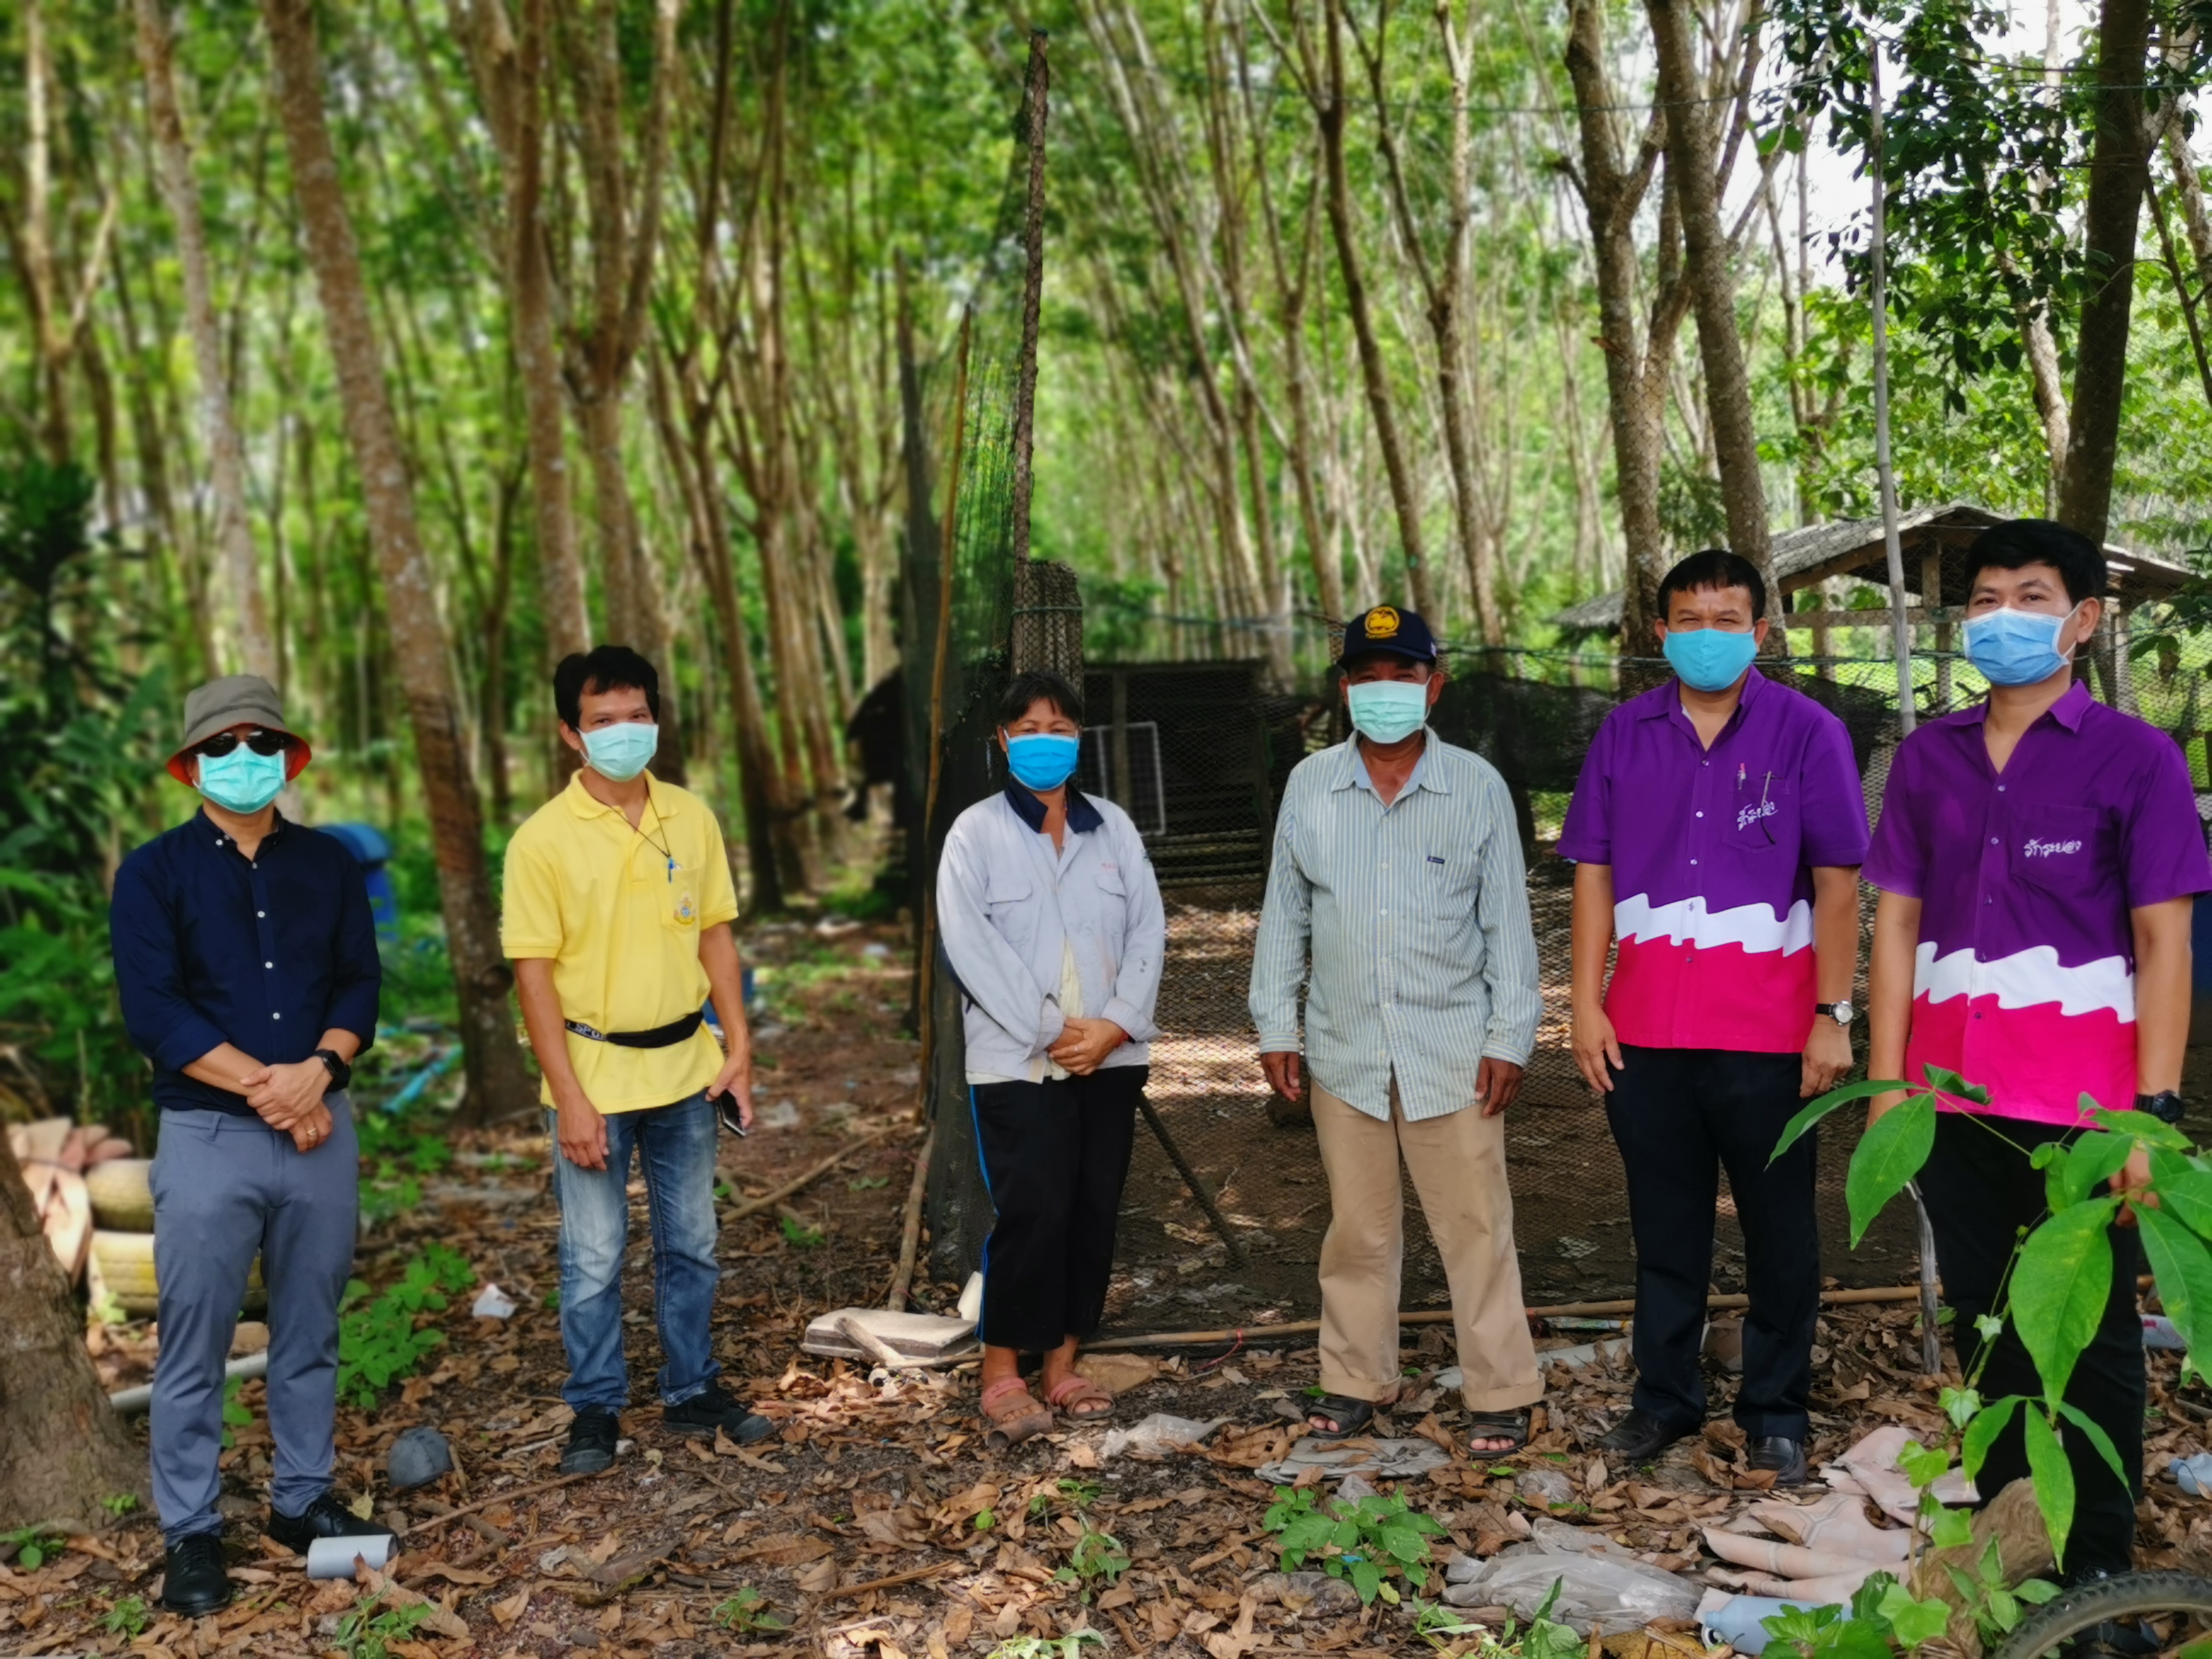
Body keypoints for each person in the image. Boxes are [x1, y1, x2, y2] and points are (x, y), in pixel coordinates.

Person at [1865, 520, 2208, 1580]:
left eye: (2029, 594)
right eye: (1982, 600)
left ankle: (2098, 1571)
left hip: (2081, 1115)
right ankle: (2015, 1559)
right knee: (1987, 1330)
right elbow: (1892, 924)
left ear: (2082, 618)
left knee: (2089, 1341)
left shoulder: (2134, 759)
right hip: (1950, 1103)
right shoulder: (1930, 758)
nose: (2002, 616)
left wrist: (2149, 1117)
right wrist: (1886, 1090)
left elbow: (2163, 943)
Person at [1559, 551, 1868, 1485]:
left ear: (1759, 632)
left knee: (1781, 1230)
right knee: (1666, 1226)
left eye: (1726, 619)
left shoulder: (1808, 733)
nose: (1706, 636)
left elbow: (1840, 883)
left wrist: (1832, 1015)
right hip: (1645, 1031)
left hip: (1771, 1036)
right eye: (1687, 620)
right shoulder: (1624, 734)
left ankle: (1776, 1407)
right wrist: (1582, 1003)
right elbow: (1594, 874)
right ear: (1661, 634)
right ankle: (1665, 1400)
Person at [111, 675, 389, 1615]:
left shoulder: (329, 865)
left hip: (321, 1127)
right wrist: (278, 1090)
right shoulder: (153, 873)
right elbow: (156, 1012)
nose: (243, 760)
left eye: (259, 743)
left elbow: (360, 985)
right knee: (194, 1339)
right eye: (222, 746)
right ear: (192, 764)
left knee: (310, 1329)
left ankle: (301, 1502)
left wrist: (321, 1068)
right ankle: (191, 1533)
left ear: (286, 756)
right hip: (208, 1134)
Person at [1249, 605, 1543, 1454]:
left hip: (1453, 1053)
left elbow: (1508, 930)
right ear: (1345, 691)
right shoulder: (1312, 788)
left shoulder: (1476, 788)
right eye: (1367, 679)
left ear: (1434, 686)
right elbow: (1285, 916)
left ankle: (1500, 1389)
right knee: (1359, 1230)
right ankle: (1355, 1377)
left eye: (1403, 677)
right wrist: (1278, 1025)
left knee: (1476, 1227)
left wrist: (1508, 1039)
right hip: (1344, 1051)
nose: (1385, 692)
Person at [502, 645, 773, 1475]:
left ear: (656, 719)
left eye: (636, 716)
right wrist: (568, 1096)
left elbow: (716, 935)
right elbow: (534, 978)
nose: (623, 733)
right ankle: (595, 1407)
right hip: (591, 1075)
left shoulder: (688, 817)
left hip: (686, 1068)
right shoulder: (541, 841)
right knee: (592, 1253)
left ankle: (692, 1389)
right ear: (570, 735)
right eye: (602, 721)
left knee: (692, 1241)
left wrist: (739, 1046)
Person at [936, 669, 1165, 1444]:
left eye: (1060, 729)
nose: (1045, 741)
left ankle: (1063, 1365)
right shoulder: (975, 834)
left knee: (1092, 1209)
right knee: (1032, 1212)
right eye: (1028, 728)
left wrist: (1114, 1026)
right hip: (1016, 1061)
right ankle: (1001, 1372)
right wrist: (1051, 1030)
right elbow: (972, 946)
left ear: (1080, 741)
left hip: (1111, 1058)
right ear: (1003, 741)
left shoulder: (1116, 832)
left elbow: (1147, 932)